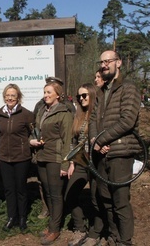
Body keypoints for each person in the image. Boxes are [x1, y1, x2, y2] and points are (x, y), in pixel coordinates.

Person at [87, 50, 140, 246]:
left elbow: (127, 120)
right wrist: (94, 139)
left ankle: (125, 241)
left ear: (119, 63)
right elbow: (93, 119)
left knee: (120, 201)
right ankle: (114, 236)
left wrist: (101, 140)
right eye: (101, 62)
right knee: (105, 198)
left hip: (121, 153)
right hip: (101, 154)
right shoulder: (102, 91)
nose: (104, 65)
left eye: (108, 61)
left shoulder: (129, 88)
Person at [30, 80, 73, 244]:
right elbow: (35, 130)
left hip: (55, 158)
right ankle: (51, 224)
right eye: (44, 92)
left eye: (49, 92)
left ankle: (55, 229)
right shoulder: (42, 111)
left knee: (56, 195)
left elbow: (67, 141)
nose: (46, 95)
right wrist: (32, 140)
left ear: (58, 94)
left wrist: (65, 163)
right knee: (47, 192)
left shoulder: (64, 113)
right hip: (42, 157)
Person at [0, 83, 34, 232]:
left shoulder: (26, 114)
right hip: (5, 158)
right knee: (9, 189)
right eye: (8, 95)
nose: (10, 98)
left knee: (21, 189)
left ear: (18, 97)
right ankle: (11, 217)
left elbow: (33, 132)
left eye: (13, 95)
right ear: (4, 97)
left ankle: (23, 217)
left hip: (21, 158)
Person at [64, 83, 96, 246]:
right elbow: (73, 142)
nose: (81, 99)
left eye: (84, 95)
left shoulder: (97, 115)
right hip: (81, 163)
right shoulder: (78, 115)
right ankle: (80, 228)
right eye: (79, 96)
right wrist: (72, 163)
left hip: (96, 163)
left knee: (97, 198)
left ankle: (95, 233)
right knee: (70, 194)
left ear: (92, 95)